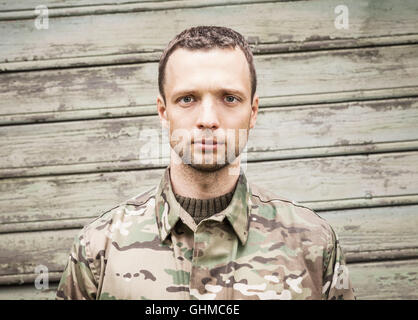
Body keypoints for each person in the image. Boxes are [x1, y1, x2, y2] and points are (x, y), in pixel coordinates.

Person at [56, 26, 355, 300]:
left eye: (229, 98)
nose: (208, 120)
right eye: (187, 99)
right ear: (163, 112)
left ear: (253, 111)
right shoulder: (98, 250)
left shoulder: (314, 245)